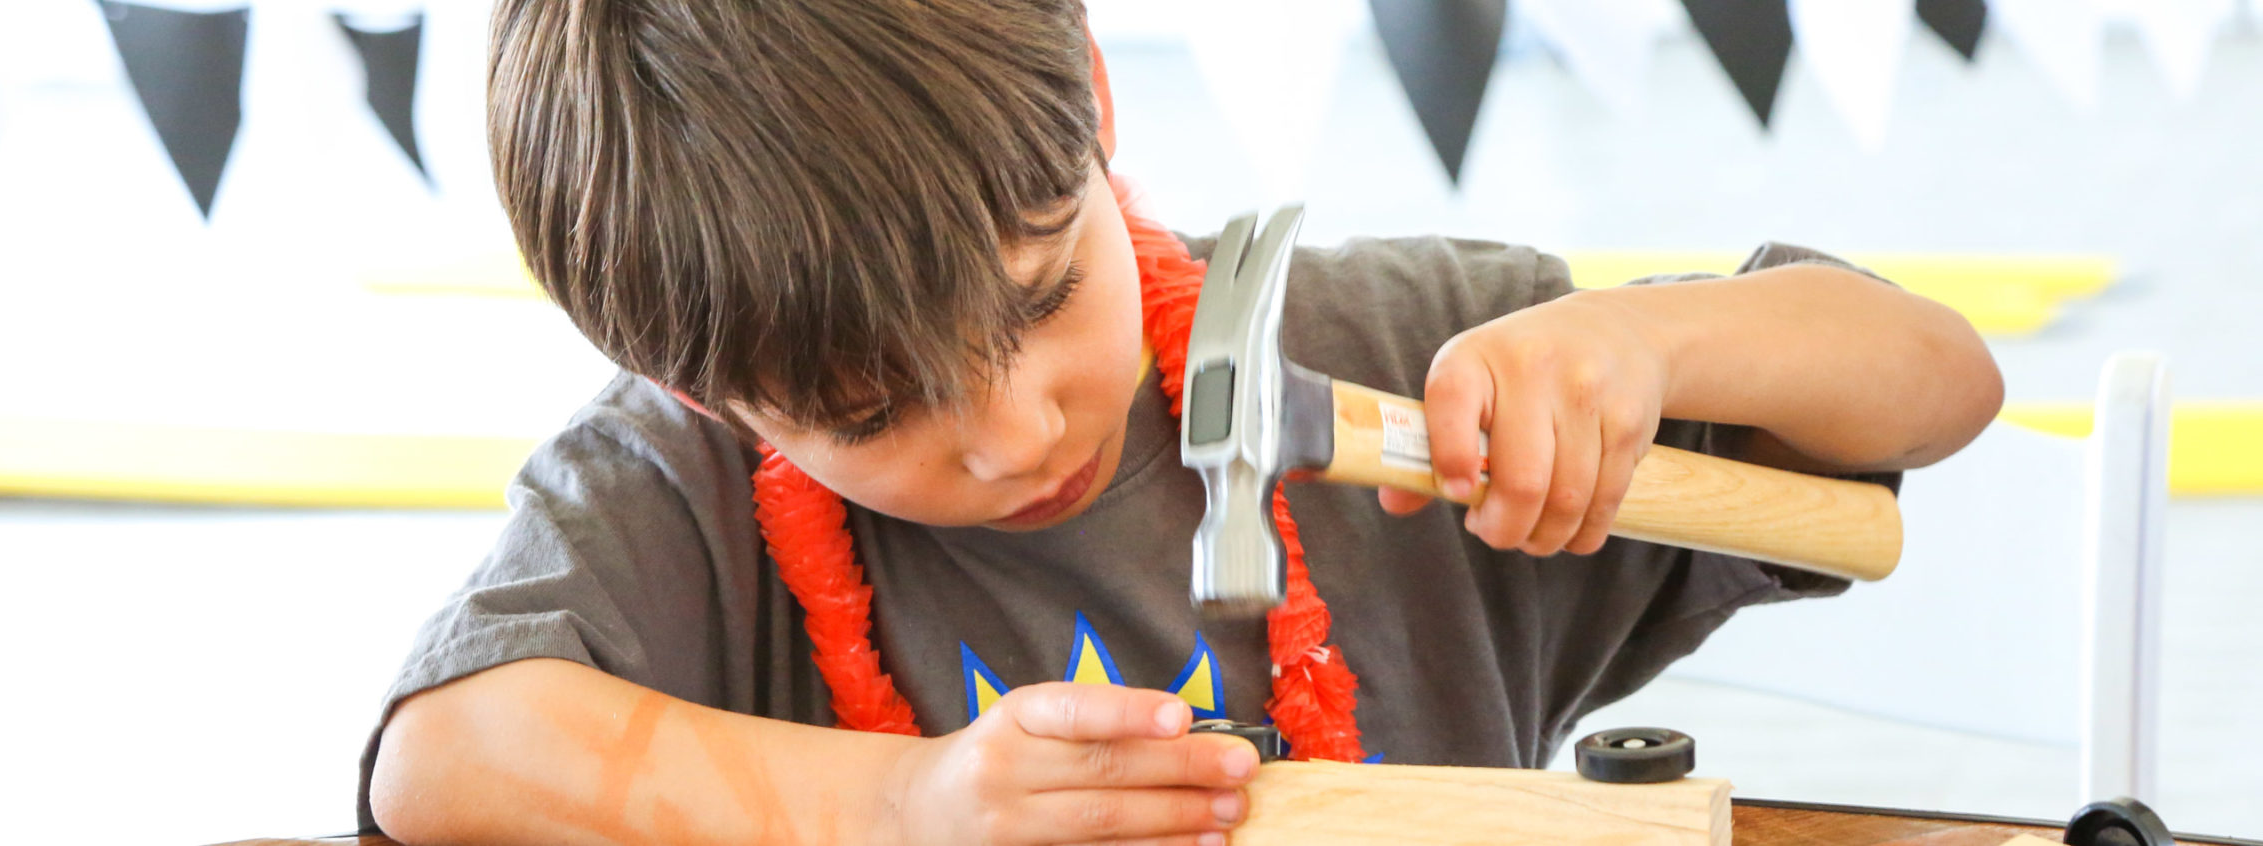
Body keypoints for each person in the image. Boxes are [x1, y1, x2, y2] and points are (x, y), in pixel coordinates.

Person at [360, 2, 2002, 844]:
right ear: (706, 384)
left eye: (1036, 297)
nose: (1011, 431)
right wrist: (897, 806)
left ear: (1092, 93)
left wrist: (1647, 342)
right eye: (873, 410)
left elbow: (1936, 384)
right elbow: (439, 758)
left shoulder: (1411, 355)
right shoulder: (691, 492)